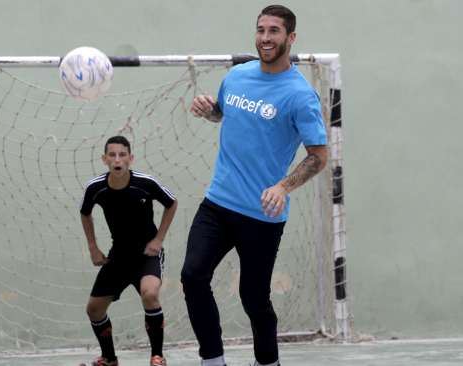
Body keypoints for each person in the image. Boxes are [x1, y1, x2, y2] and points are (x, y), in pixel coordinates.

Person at [182, 5, 329, 366]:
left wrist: (283, 187)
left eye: (274, 31)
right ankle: (212, 360)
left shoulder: (300, 95)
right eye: (261, 30)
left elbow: (318, 156)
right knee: (193, 275)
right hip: (218, 202)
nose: (265, 38)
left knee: (254, 298)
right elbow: (225, 114)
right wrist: (209, 109)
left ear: (290, 38)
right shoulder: (237, 76)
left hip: (262, 214)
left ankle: (267, 362)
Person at [80, 135, 178, 366]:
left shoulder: (145, 183)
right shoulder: (96, 188)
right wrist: (93, 248)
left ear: (130, 158)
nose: (118, 159)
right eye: (112, 155)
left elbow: (171, 203)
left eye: (122, 154)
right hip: (119, 256)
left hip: (147, 254)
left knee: (150, 294)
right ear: (105, 159)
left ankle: (157, 356)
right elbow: (85, 213)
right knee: (94, 309)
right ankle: (109, 358)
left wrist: (159, 239)